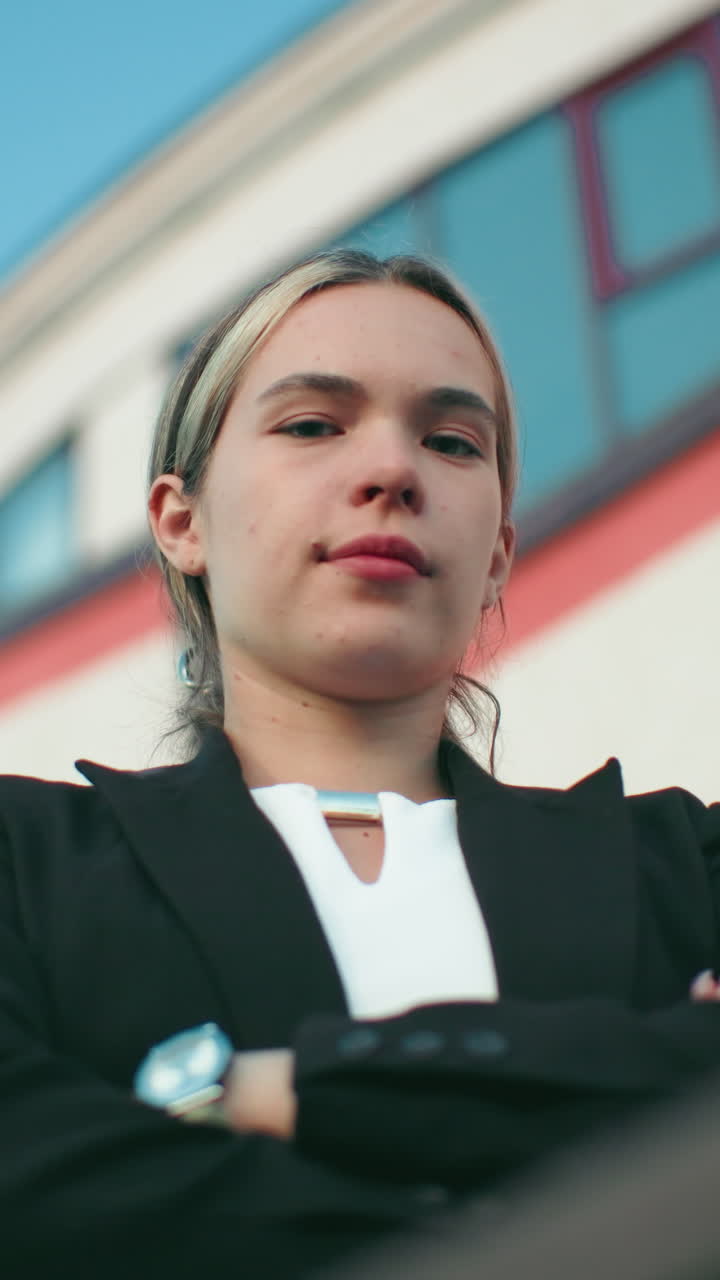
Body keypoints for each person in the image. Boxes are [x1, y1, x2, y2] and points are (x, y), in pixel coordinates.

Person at [1, 250, 718, 1278]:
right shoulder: (25, 868)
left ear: (500, 553)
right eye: (312, 425)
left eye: (452, 440)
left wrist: (283, 1089)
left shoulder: (684, 863)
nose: (392, 470)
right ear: (181, 520)